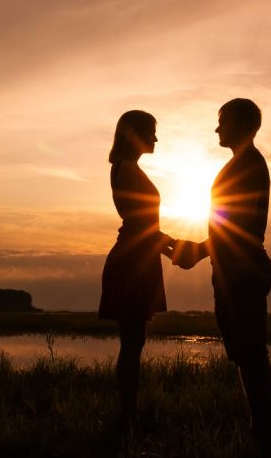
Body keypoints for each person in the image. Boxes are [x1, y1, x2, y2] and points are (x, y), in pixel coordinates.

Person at [172, 98, 271, 434]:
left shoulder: (247, 166)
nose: (217, 128)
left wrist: (197, 252)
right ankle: (261, 425)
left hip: (242, 269)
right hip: (233, 268)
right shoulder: (242, 163)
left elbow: (238, 227)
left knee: (251, 354)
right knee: (246, 354)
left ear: (242, 124)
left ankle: (264, 428)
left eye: (223, 121)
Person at [100, 110, 175, 426]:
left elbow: (144, 226)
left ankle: (127, 412)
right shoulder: (127, 169)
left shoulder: (128, 168)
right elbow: (141, 224)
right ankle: (127, 414)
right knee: (132, 342)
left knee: (134, 341)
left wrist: (172, 248)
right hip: (133, 260)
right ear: (134, 134)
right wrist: (178, 249)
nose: (156, 138)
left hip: (138, 256)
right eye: (151, 131)